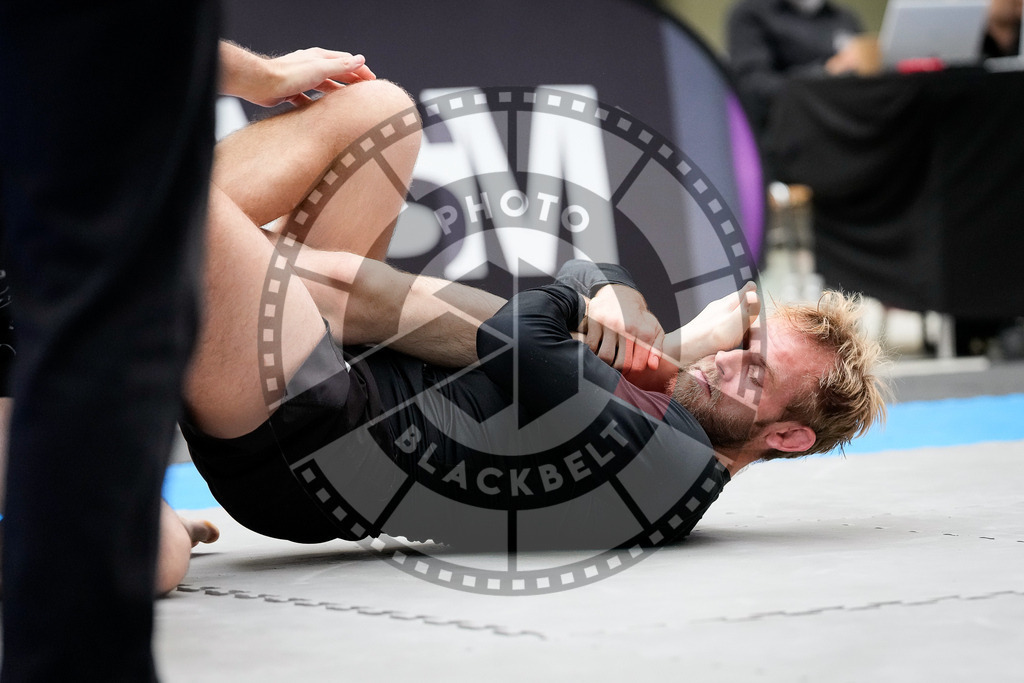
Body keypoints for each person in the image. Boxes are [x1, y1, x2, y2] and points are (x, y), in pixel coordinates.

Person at [177, 72, 889, 551]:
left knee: (172, 205)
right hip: (350, 368)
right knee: (379, 114)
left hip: (309, 441)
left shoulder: (672, 467)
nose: (726, 359)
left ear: (789, 437)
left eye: (753, 372)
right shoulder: (665, 405)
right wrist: (618, 296)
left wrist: (671, 325)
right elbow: (586, 280)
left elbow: (524, 333)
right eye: (742, 345)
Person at [0, 22, 375, 681]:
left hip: (80, 238)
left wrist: (265, 77)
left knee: (376, 113)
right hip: (61, 286)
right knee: (152, 549)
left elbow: (134, 48)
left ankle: (289, 323)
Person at [727, 0, 871, 137]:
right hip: (792, 133)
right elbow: (753, 85)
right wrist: (826, 73)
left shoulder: (843, 17)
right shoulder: (751, 14)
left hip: (851, 123)